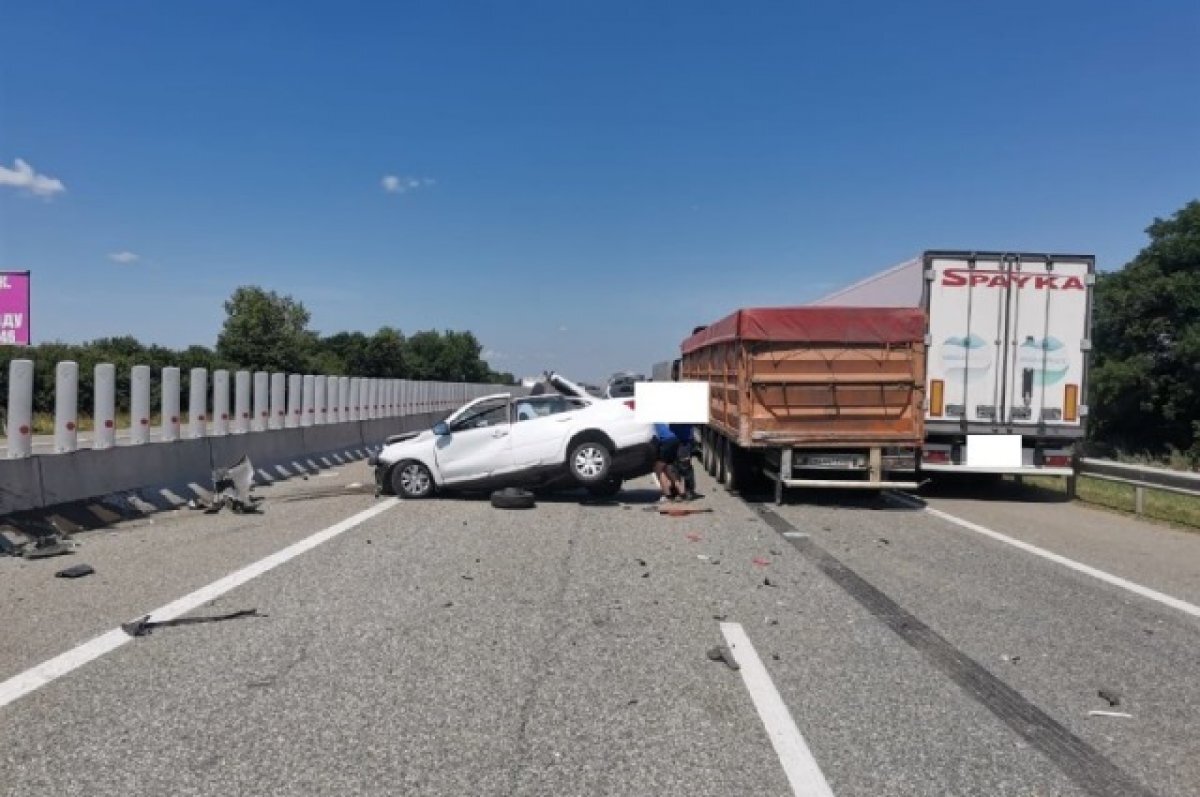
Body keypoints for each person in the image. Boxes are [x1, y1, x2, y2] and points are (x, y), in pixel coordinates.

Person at [653, 422, 686, 502]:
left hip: (667, 441)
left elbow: (653, 436)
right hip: (674, 439)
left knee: (658, 469)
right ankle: (682, 492)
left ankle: (667, 495)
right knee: (667, 467)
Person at [669, 422, 699, 501]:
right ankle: (676, 491)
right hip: (672, 439)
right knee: (673, 466)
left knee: (685, 465)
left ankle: (689, 490)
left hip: (685, 439)